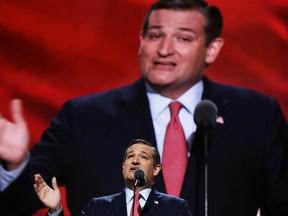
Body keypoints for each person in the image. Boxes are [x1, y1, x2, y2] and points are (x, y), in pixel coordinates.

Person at [0, 0, 288, 215]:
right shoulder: (84, 117)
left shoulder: (257, 116)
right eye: (155, 36)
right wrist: (14, 166)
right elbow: (19, 203)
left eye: (183, 38)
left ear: (212, 48)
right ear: (141, 42)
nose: (164, 49)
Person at [33, 139, 192, 215]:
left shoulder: (174, 208)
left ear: (156, 169)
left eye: (143, 157)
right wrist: (55, 209)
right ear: (123, 167)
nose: (135, 160)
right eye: (130, 157)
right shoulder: (98, 207)